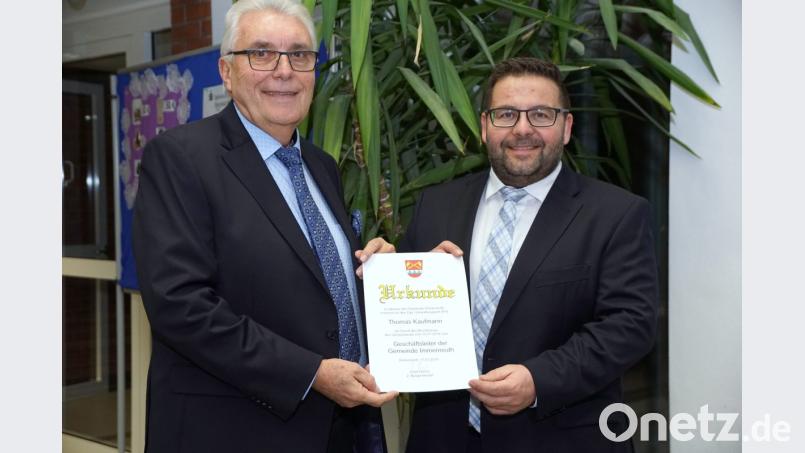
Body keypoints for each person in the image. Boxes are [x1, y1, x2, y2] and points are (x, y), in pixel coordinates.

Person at [132, 1, 396, 452]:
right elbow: (180, 305)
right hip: (235, 431)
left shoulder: (321, 166)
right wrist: (311, 374)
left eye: (299, 54)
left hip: (337, 429)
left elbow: (317, 285)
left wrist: (382, 274)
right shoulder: (180, 158)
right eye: (261, 53)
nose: (284, 70)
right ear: (226, 71)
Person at [400, 57, 659, 452]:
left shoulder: (616, 214)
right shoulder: (435, 206)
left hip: (560, 439)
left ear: (566, 127)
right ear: (484, 126)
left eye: (541, 114)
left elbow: (630, 325)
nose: (522, 129)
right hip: (442, 438)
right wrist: (382, 272)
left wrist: (539, 380)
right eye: (506, 114)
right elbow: (404, 316)